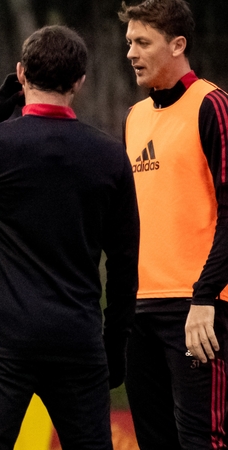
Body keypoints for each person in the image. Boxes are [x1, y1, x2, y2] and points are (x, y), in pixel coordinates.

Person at [0, 25, 140, 449]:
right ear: (80, 81)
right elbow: (124, 262)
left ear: (21, 74)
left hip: (4, 344)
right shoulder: (110, 156)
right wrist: (114, 347)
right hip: (78, 339)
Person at [119, 1, 228, 448]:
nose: (131, 53)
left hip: (197, 313)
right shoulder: (134, 117)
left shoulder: (213, 105)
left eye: (143, 42)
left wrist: (205, 297)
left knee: (202, 441)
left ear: (178, 44)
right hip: (139, 313)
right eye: (129, 42)